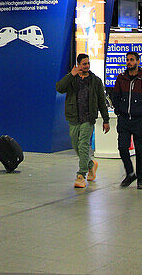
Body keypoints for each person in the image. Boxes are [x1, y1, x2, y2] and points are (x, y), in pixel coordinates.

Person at [55, 53, 110, 189]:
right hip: (74, 117)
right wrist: (70, 75)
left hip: (88, 118)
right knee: (76, 144)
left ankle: (81, 175)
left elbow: (101, 102)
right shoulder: (72, 79)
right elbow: (59, 88)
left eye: (88, 63)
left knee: (83, 145)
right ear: (78, 65)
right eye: (84, 64)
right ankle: (91, 165)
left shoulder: (95, 81)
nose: (86, 66)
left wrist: (106, 119)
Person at [110, 51, 142, 189]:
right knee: (122, 148)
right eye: (127, 60)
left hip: (139, 120)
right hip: (124, 120)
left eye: (131, 60)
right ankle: (130, 173)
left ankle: (141, 179)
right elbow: (115, 96)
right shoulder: (121, 78)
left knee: (140, 151)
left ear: (138, 62)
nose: (129, 62)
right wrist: (118, 111)